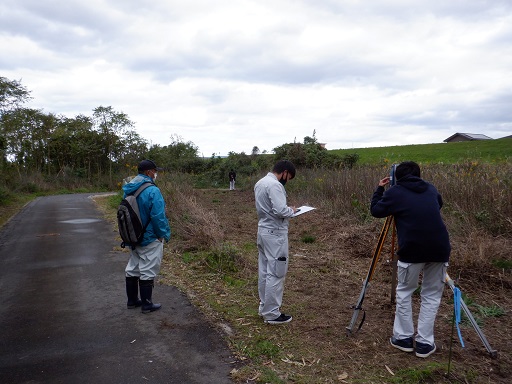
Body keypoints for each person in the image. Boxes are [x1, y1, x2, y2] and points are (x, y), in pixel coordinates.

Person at [370, 161, 451, 358]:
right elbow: (438, 205)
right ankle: (425, 343)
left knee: (405, 292)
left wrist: (380, 189)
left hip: (412, 250)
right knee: (431, 295)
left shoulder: (395, 192)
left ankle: (404, 338)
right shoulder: (431, 188)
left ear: (396, 176)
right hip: (440, 249)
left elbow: (376, 211)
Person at [124, 160, 171, 314]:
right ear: (149, 172)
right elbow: (158, 216)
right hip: (150, 236)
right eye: (155, 171)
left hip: (132, 235)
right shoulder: (153, 191)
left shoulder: (129, 188)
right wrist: (163, 234)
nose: (156, 174)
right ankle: (147, 304)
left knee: (133, 268)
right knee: (148, 270)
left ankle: (132, 301)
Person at [254, 160, 298, 324]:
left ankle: (264, 306)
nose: (287, 181)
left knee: (265, 271)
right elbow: (280, 210)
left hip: (263, 230)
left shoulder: (260, 183)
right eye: (288, 177)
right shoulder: (274, 185)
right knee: (277, 272)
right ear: (284, 172)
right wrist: (292, 211)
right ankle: (272, 314)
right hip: (275, 233)